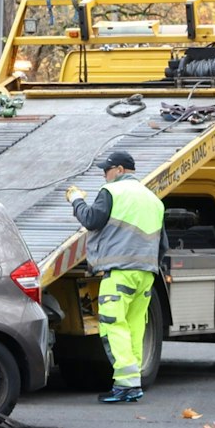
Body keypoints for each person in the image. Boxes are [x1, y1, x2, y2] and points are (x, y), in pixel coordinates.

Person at [67, 149, 166, 404]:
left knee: (112, 325)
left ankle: (124, 384)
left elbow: (90, 219)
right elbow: (162, 243)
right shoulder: (153, 200)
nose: (104, 174)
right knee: (134, 326)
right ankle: (133, 384)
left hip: (120, 272)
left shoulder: (112, 192)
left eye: (106, 170)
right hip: (146, 275)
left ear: (120, 170)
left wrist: (76, 200)